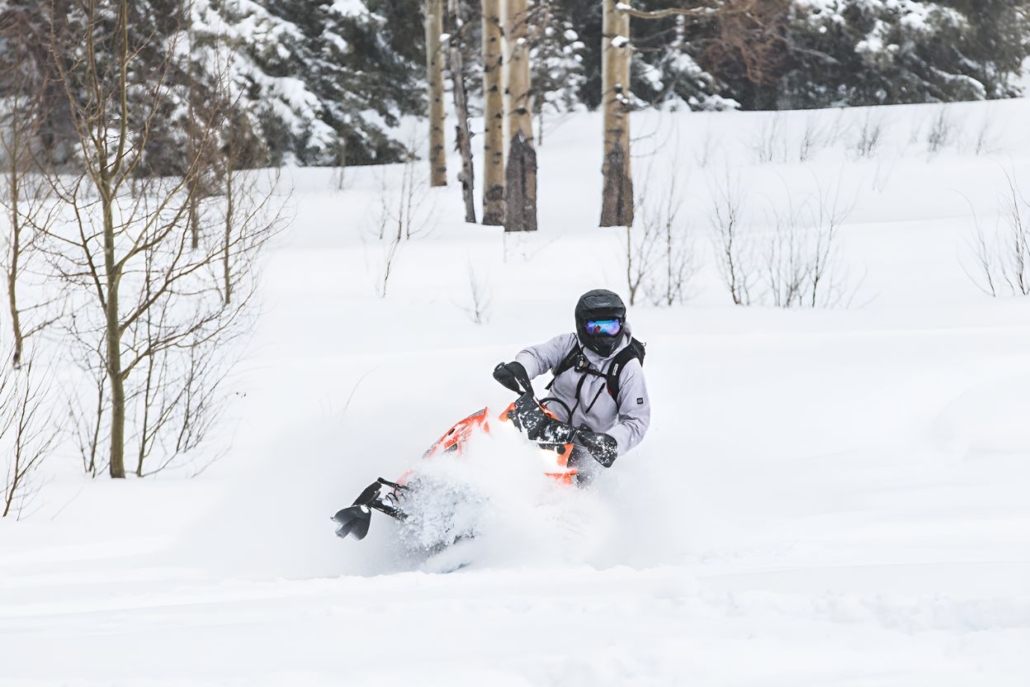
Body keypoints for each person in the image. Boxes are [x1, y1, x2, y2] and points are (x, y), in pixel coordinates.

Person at [493, 289, 650, 480]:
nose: (604, 335)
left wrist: (612, 442)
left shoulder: (628, 368)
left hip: (587, 447)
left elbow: (637, 420)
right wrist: (520, 368)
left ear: (621, 324)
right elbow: (538, 355)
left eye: (611, 327)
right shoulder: (569, 345)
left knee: (563, 489)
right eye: (596, 328)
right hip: (544, 423)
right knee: (500, 433)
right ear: (582, 326)